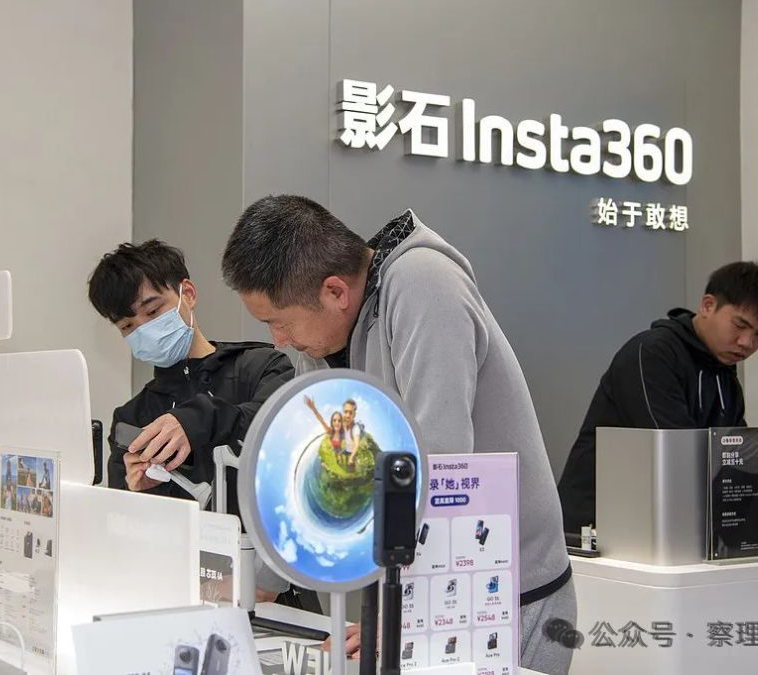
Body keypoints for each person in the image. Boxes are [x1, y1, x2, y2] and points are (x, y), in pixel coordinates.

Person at [222, 195, 575, 674]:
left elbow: (437, 461)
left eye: (277, 322)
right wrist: (260, 582)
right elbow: (312, 467)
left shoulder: (425, 283)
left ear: (334, 291)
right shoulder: (322, 341)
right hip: (427, 595)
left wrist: (403, 615)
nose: (278, 340)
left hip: (506, 593)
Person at [87, 239, 300, 602]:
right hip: (179, 597)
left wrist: (198, 419)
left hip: (276, 593)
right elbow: (125, 538)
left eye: (153, 311)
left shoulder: (261, 367)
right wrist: (140, 496)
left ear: (187, 294)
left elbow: (281, 429)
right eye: (128, 326)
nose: (143, 329)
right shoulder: (131, 420)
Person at [558, 261, 758, 535]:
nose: (747, 342)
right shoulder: (652, 353)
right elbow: (675, 449)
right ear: (708, 305)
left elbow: (736, 450)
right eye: (739, 325)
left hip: (665, 524)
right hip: (597, 525)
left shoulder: (724, 373)